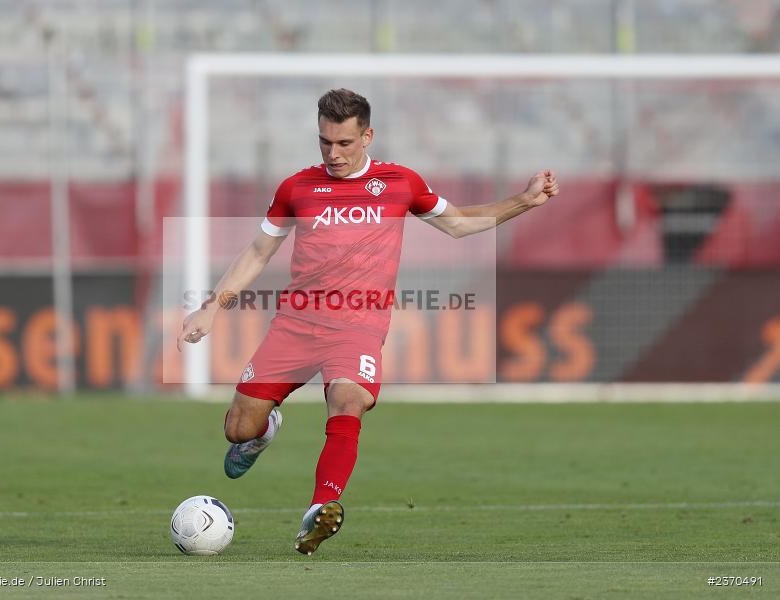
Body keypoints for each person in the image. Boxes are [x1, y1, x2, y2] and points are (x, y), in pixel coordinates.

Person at [179, 88, 559, 555]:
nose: (333, 154)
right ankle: (263, 433)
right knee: (239, 429)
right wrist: (214, 304)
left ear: (367, 135)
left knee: (348, 401)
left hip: (357, 327)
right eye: (324, 142)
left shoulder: (400, 183)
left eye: (343, 143)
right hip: (296, 323)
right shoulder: (296, 188)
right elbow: (259, 251)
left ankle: (321, 508)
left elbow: (458, 223)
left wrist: (524, 200)